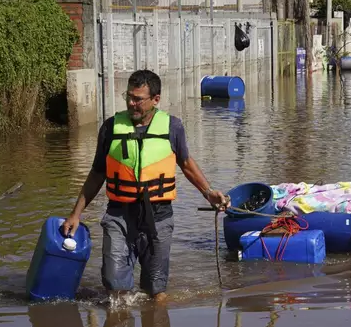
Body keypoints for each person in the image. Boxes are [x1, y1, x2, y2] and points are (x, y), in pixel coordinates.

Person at [61, 69, 230, 303]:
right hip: (119, 214)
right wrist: (75, 214)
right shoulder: (110, 128)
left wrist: (209, 193)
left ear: (155, 100)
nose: (131, 103)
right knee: (115, 288)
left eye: (138, 99)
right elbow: (96, 174)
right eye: (128, 97)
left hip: (158, 217)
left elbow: (186, 164)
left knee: (156, 291)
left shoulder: (173, 127)